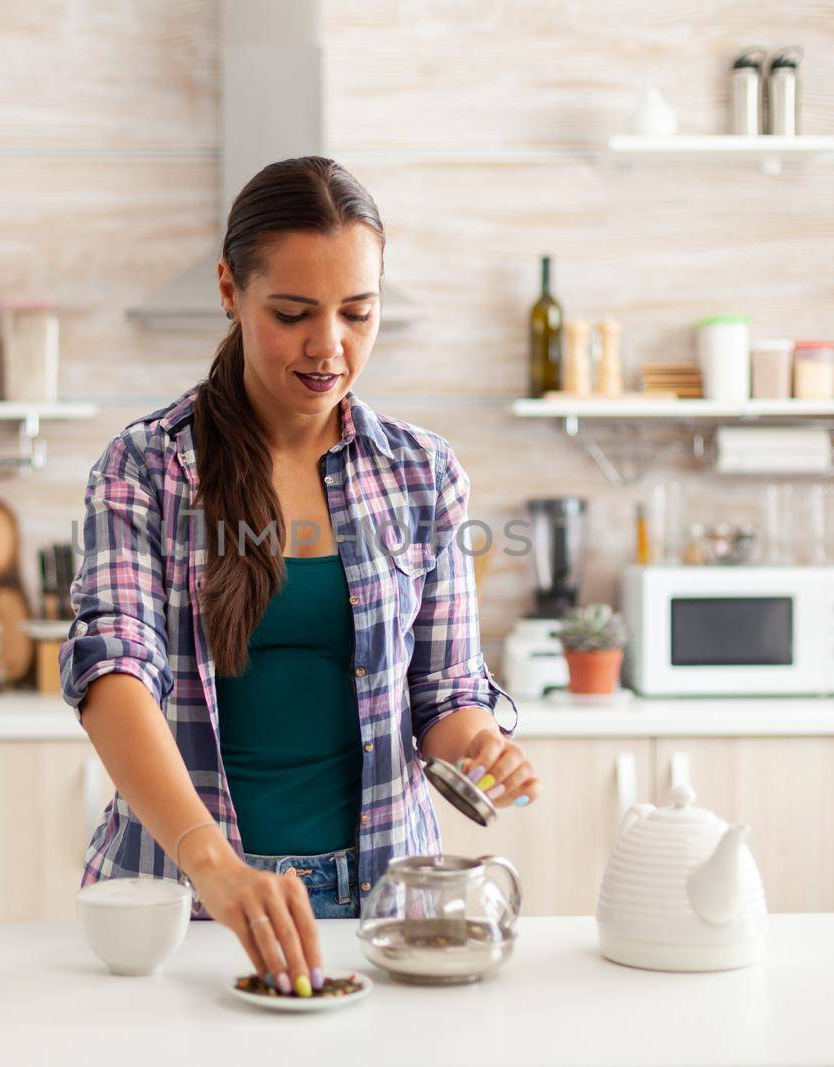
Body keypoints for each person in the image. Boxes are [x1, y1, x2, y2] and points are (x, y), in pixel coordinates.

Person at [61, 155, 535, 997]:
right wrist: (214, 862)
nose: (330, 346)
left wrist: (478, 744)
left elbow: (444, 689)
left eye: (359, 312)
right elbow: (112, 671)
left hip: (386, 902)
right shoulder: (145, 469)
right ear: (229, 290)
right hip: (180, 899)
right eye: (293, 313)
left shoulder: (423, 474)